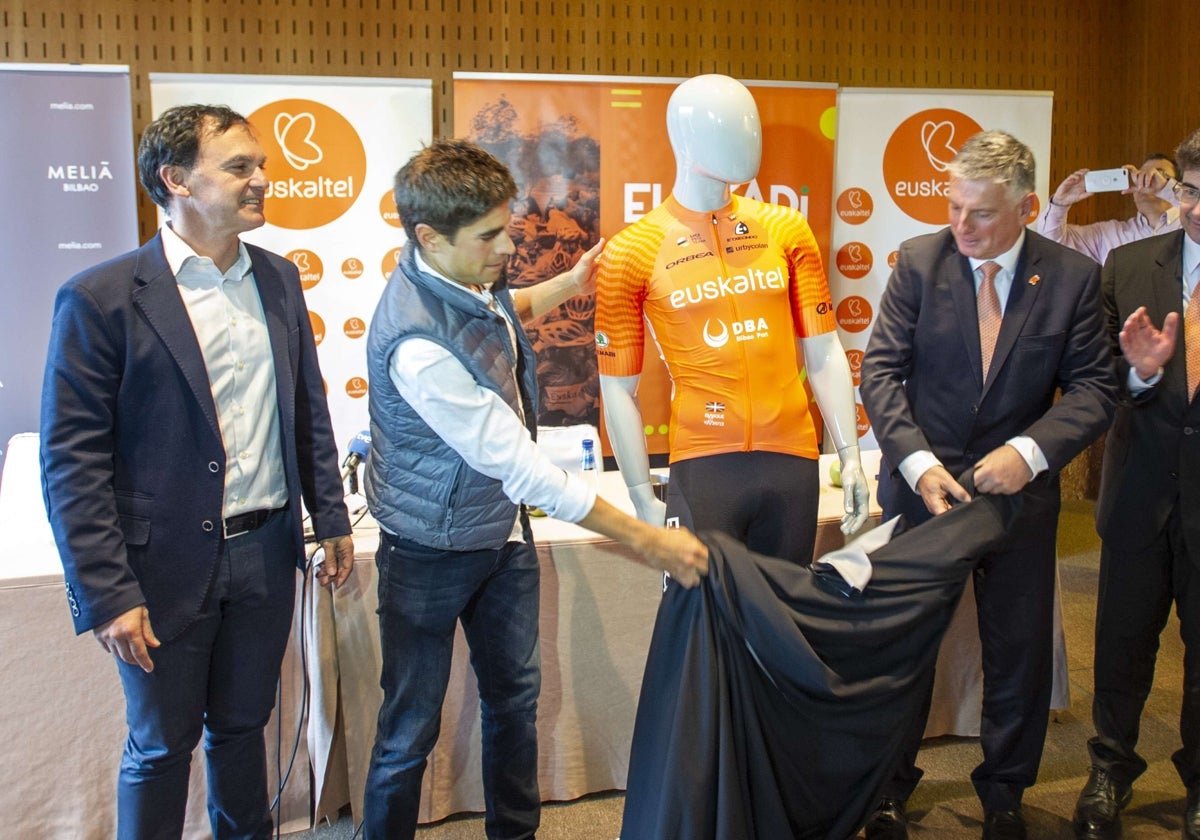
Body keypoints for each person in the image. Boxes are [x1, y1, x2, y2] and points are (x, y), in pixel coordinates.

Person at [361, 139, 708, 840]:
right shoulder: (417, 344)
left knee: (515, 702)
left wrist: (572, 284)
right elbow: (521, 468)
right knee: (408, 730)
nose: (507, 246)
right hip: (428, 550)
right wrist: (647, 540)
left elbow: (502, 307)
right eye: (489, 236)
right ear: (429, 236)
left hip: (500, 537)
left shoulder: (457, 280)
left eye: (507, 226)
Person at [39, 104, 355, 839]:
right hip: (159, 568)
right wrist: (108, 592)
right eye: (240, 167)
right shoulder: (101, 299)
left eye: (261, 165)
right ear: (175, 179)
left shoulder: (278, 279)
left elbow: (306, 409)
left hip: (266, 555)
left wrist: (331, 517)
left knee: (245, 731)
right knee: (160, 748)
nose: (263, 180)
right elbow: (71, 462)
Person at [859, 129, 1118, 840]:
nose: (961, 226)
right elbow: (879, 373)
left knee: (1018, 653)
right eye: (953, 207)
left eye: (980, 213)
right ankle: (887, 789)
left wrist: (1031, 451)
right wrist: (917, 463)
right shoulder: (918, 262)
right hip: (923, 494)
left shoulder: (1071, 278)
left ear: (1027, 207)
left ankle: (1004, 794)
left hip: (1017, 500)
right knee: (903, 648)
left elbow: (1096, 390)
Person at [595, 73, 869, 570]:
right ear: (683, 137)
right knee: (704, 624)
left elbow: (825, 350)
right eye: (728, 127)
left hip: (794, 459)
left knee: (783, 620)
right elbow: (616, 387)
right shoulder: (631, 250)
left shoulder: (786, 228)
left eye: (751, 125)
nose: (748, 140)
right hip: (704, 462)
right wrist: (639, 493)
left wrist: (849, 454)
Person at [1070, 127, 1200, 840]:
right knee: (1121, 641)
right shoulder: (1128, 263)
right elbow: (1095, 376)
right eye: (1189, 191)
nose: (1197, 209)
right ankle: (1108, 770)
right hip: (1141, 488)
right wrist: (1141, 373)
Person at [1040, 153, 1180, 266]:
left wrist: (1166, 189)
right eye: (1140, 176)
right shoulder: (1109, 235)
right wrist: (1060, 204)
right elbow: (1051, 245)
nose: (1146, 182)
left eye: (1159, 176)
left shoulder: (1191, 226)